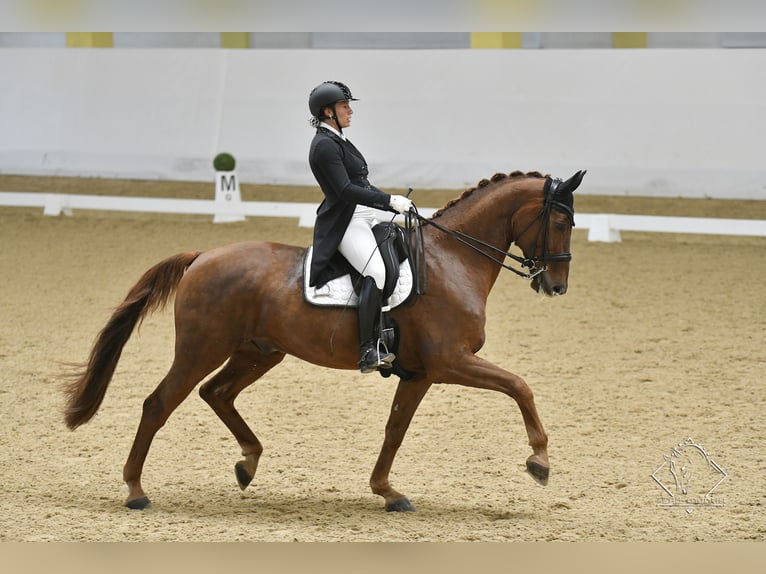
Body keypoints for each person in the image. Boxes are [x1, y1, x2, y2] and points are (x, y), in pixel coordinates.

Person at [307, 80, 413, 374]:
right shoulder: (324, 146)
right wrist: (387, 200)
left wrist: (391, 203)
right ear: (328, 112)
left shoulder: (339, 139)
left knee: (413, 240)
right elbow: (344, 190)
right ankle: (368, 348)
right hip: (347, 220)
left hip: (365, 212)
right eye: (345, 106)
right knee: (375, 271)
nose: (350, 111)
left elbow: (362, 184)